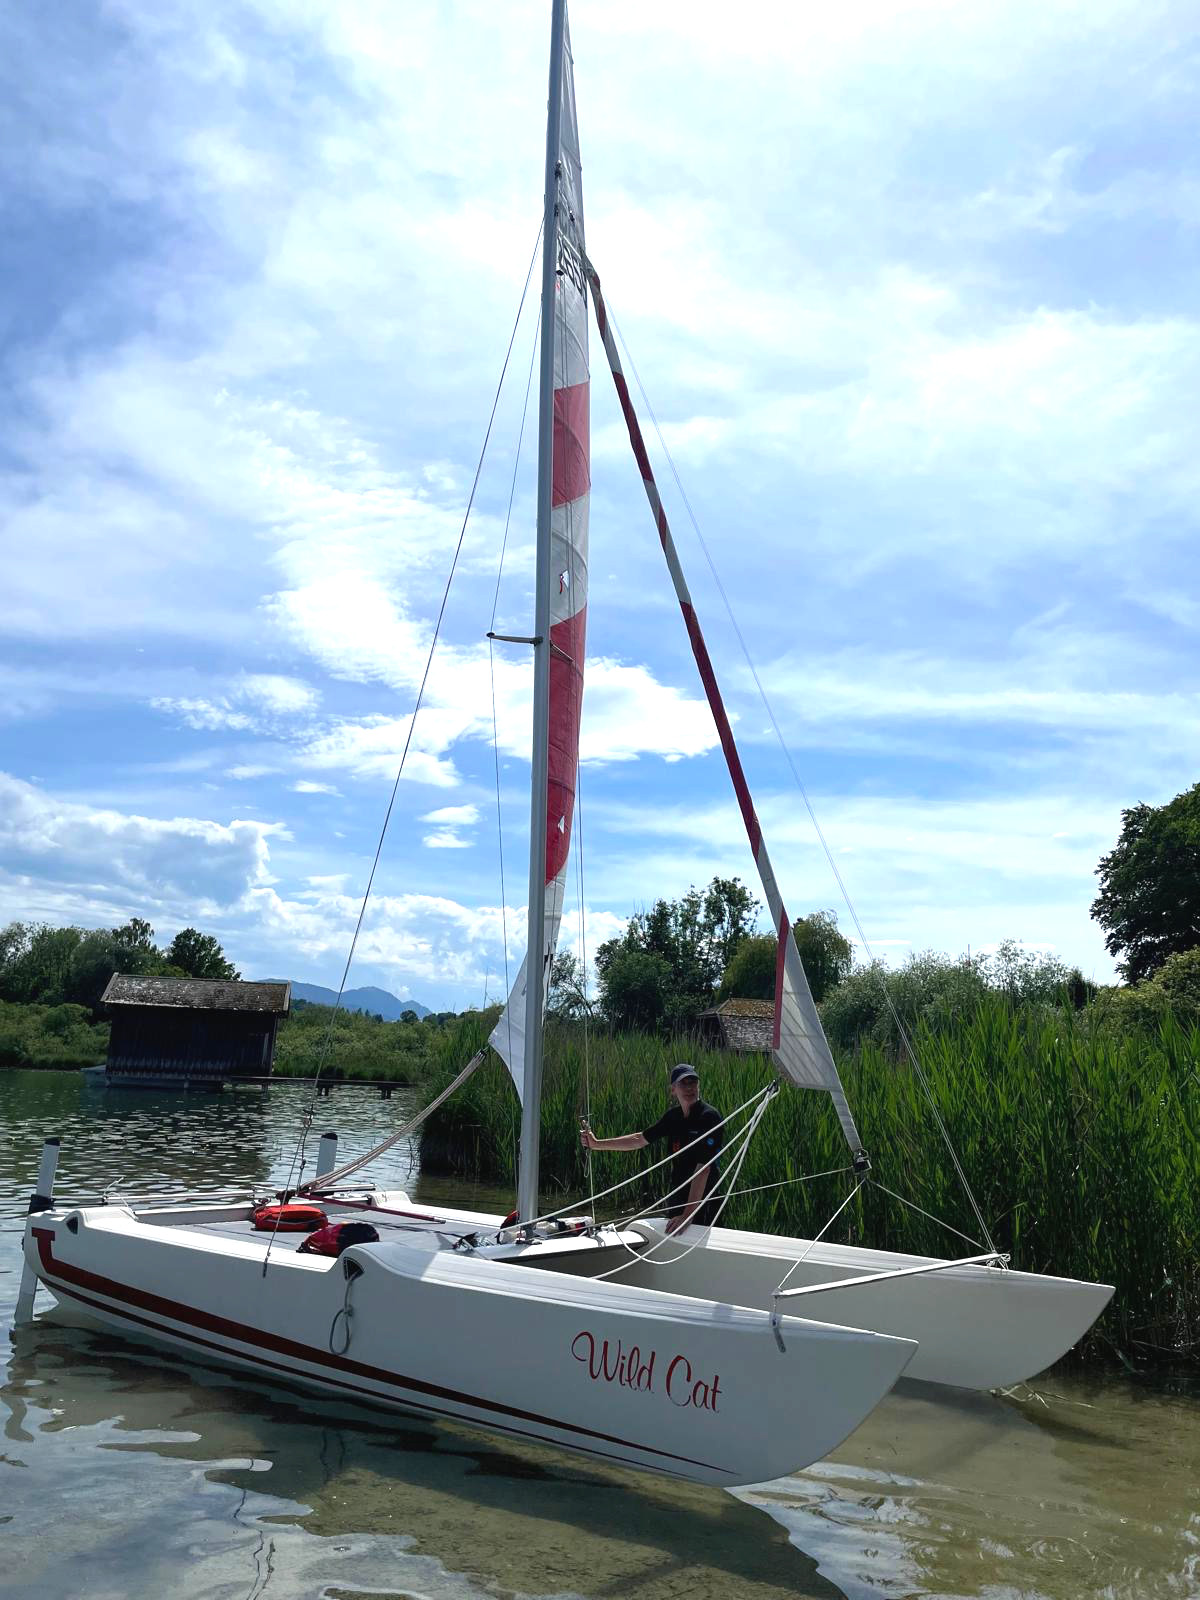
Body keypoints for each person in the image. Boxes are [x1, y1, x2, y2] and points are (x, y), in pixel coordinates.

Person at [580, 1063, 724, 1233]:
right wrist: (597, 1144)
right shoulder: (673, 1117)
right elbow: (639, 1139)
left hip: (704, 1202)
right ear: (673, 1090)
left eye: (693, 1082)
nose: (689, 1087)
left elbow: (703, 1168)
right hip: (678, 1197)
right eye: (683, 1083)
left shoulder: (709, 1117)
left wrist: (688, 1215)